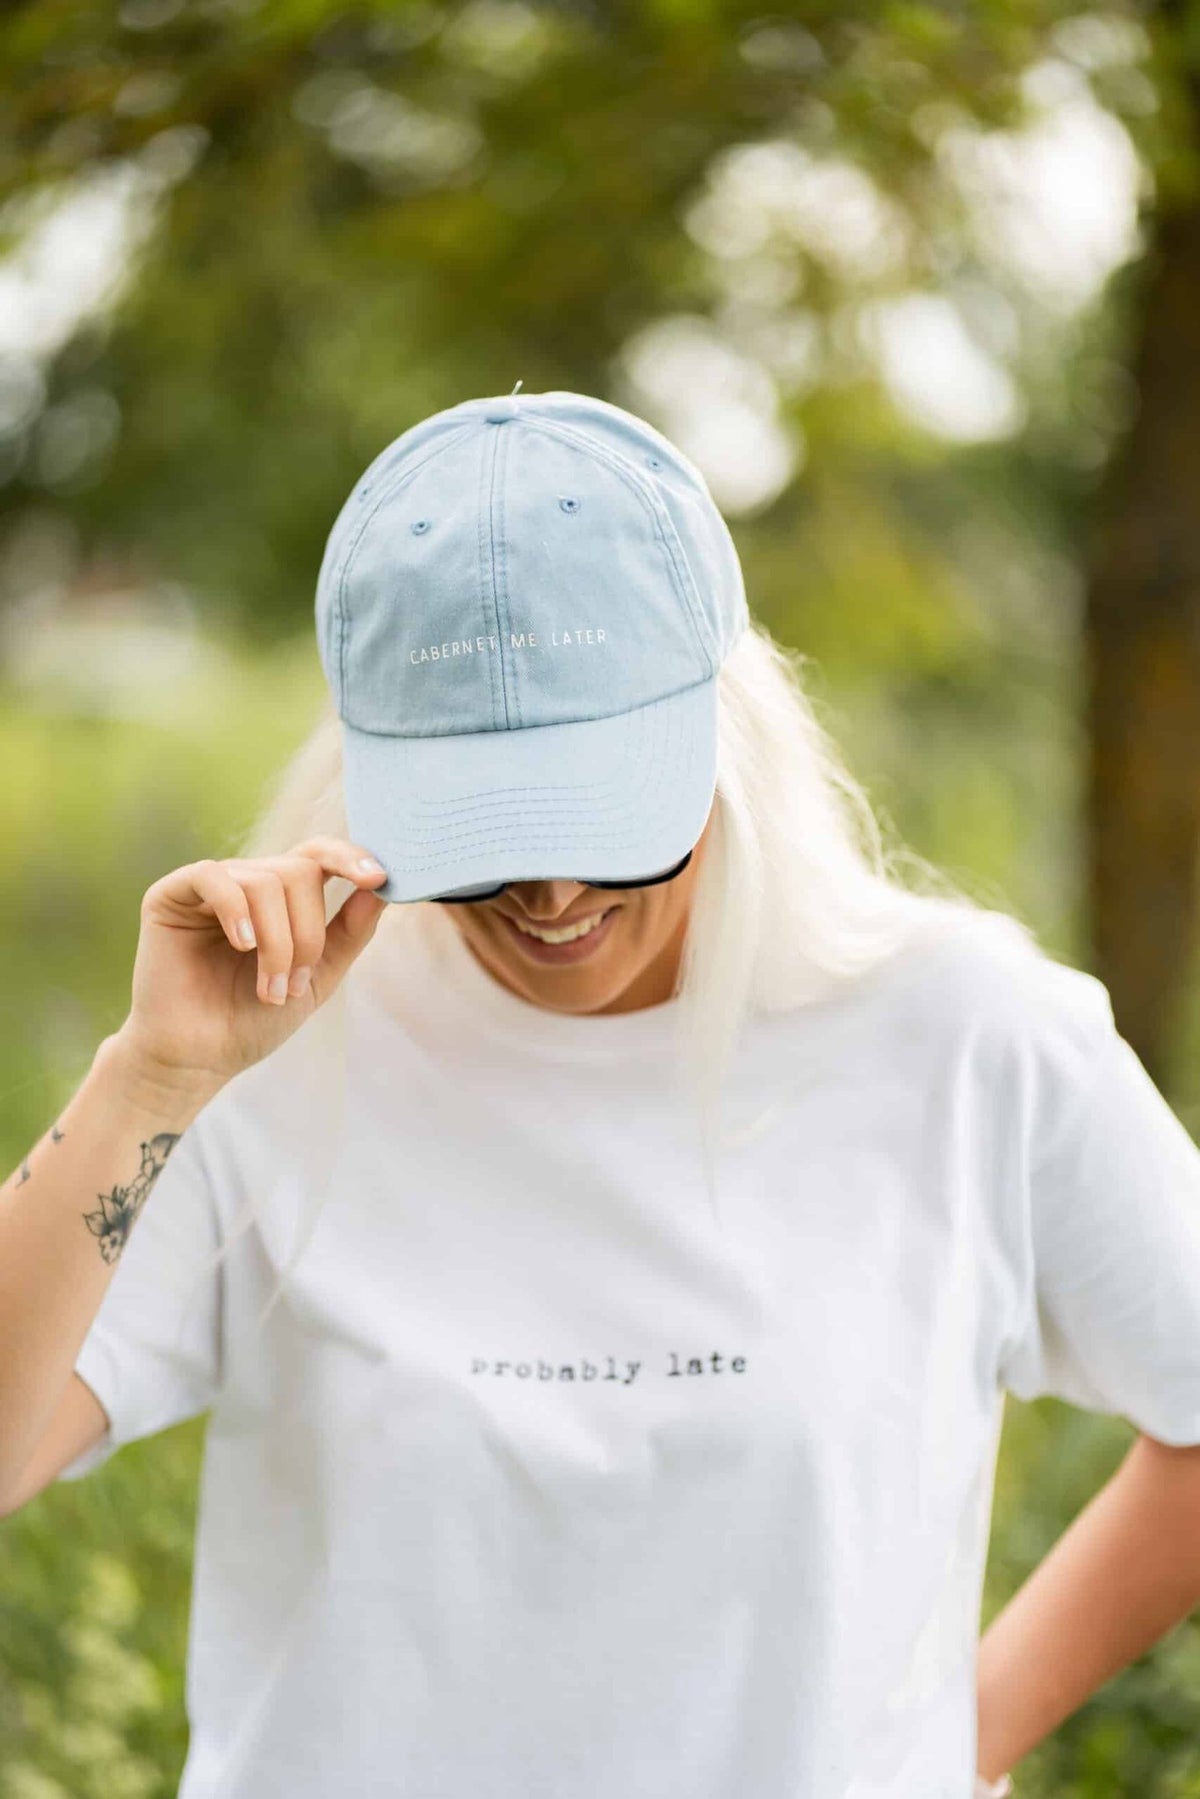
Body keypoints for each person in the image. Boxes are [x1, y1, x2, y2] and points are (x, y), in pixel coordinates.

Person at [2, 388, 1199, 1799]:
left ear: (726, 734)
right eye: (488, 830)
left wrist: (949, 1739)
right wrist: (155, 1075)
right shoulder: (269, 1054)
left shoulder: (971, 1044)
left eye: (601, 814)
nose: (553, 890)